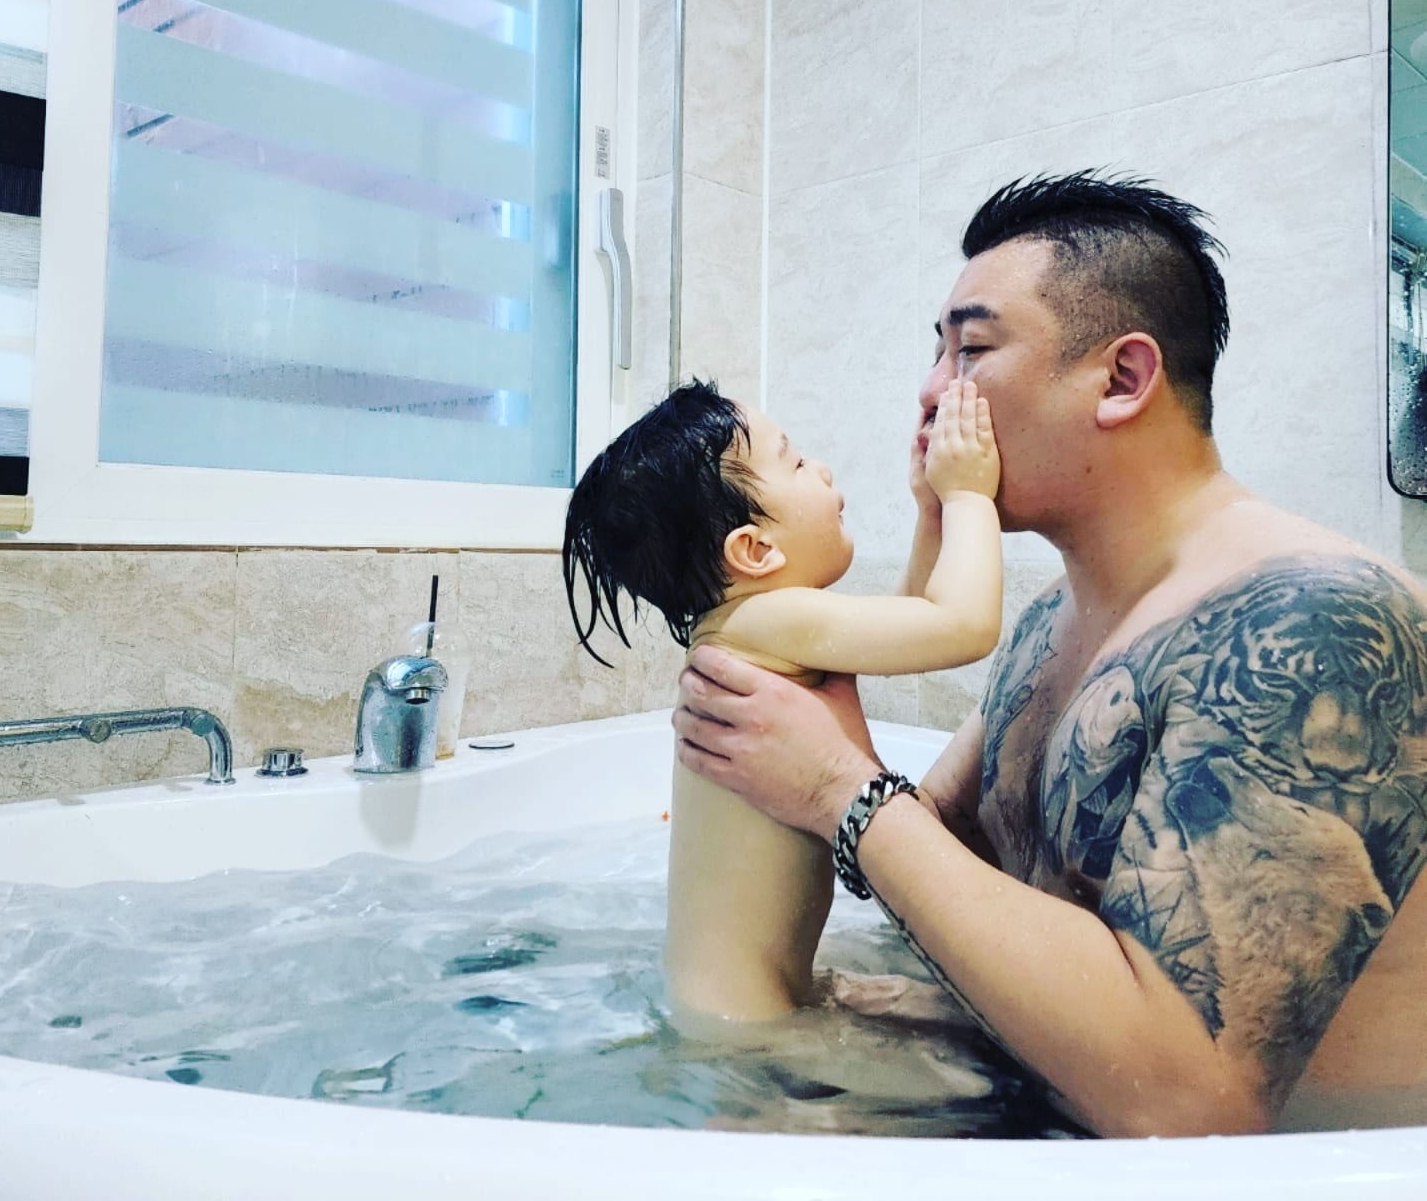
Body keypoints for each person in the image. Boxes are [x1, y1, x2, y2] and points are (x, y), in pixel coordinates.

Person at [671, 171, 1427, 1136]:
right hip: (1045, 1113)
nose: (932, 391)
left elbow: (1188, 1106)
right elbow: (930, 857)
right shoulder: (1048, 619)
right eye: (935, 353)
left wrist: (832, 787)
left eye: (970, 349)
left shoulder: (1312, 623)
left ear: (1121, 379)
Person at [563, 376, 1003, 1026]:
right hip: (749, 1022)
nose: (821, 469)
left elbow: (912, 618)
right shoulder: (769, 622)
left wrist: (932, 511)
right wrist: (969, 493)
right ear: (755, 549)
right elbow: (962, 625)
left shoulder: (749, 628)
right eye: (794, 462)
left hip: (736, 999)